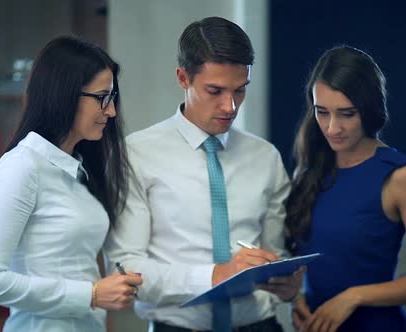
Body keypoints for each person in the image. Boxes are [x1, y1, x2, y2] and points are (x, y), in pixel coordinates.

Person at [105, 16, 303, 332]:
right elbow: (127, 269)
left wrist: (288, 285)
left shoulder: (265, 157)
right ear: (183, 78)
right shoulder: (136, 154)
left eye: (240, 90)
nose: (230, 107)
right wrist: (215, 274)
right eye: (215, 90)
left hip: (260, 326)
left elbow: (275, 254)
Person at [0, 35, 142, 332]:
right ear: (64, 94)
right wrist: (92, 294)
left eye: (112, 99)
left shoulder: (79, 168)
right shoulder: (22, 166)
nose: (111, 112)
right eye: (102, 98)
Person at [285, 45, 406, 332]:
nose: (332, 128)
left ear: (369, 108)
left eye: (346, 114)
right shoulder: (310, 169)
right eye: (322, 112)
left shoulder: (401, 176)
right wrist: (295, 298)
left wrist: (355, 296)